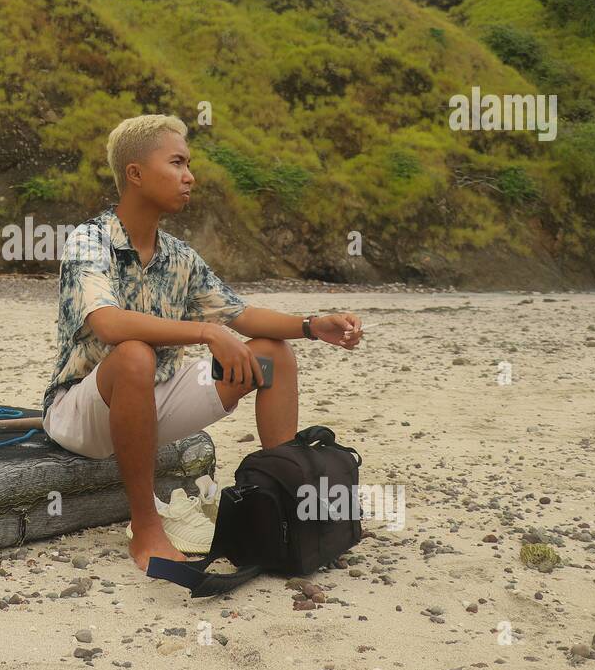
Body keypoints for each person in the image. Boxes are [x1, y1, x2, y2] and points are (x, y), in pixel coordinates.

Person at [41, 115, 363, 571]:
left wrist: (313, 325)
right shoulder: (89, 241)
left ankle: (283, 503)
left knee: (271, 353)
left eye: (188, 164)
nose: (190, 175)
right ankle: (147, 528)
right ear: (135, 174)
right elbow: (110, 324)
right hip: (82, 412)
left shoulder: (178, 256)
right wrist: (207, 332)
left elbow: (242, 314)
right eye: (176, 162)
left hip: (156, 398)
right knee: (134, 354)